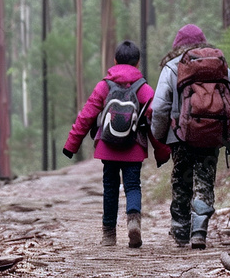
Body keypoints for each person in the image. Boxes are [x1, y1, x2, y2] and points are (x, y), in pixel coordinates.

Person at [62, 40, 171, 248]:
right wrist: (162, 151)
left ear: (114, 61)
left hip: (108, 146)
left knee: (110, 188)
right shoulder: (144, 89)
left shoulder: (104, 86)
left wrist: (71, 145)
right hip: (134, 148)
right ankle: (133, 223)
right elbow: (155, 120)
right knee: (132, 186)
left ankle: (109, 235)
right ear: (137, 63)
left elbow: (86, 116)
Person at [150, 24, 230, 249]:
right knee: (205, 179)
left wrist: (159, 134)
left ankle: (181, 229)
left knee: (181, 180)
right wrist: (228, 132)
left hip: (179, 135)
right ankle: (199, 229)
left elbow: (161, 106)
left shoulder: (172, 67)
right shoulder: (219, 65)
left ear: (177, 45)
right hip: (213, 133)